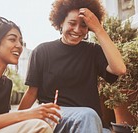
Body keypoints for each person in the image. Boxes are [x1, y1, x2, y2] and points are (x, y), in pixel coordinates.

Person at [18, 0, 126, 133]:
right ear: (61, 22)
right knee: (87, 116)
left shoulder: (93, 51)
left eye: (84, 25)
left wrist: (98, 29)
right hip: (55, 117)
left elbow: (119, 69)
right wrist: (16, 121)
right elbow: (31, 92)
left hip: (90, 122)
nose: (77, 30)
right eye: (72, 23)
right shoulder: (42, 51)